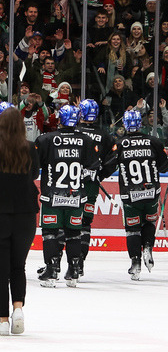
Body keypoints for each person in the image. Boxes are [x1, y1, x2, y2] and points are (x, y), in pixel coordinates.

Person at [0, 107, 39, 336]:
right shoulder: (30, 148)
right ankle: (18, 308)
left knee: (0, 269)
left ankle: (3, 320)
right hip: (25, 215)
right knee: (18, 265)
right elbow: (35, 175)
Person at [34, 105, 100, 288]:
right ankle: (74, 270)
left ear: (60, 119)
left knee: (50, 233)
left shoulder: (46, 139)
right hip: (76, 196)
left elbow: (34, 165)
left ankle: (52, 269)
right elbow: (93, 168)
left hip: (52, 197)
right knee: (74, 233)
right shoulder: (86, 140)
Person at [106, 110, 168, 279]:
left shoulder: (120, 144)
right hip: (151, 192)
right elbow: (164, 167)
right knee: (149, 222)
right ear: (140, 124)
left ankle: (135, 263)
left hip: (131, 194)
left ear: (125, 124)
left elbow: (108, 166)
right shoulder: (153, 141)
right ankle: (148, 246)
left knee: (132, 230)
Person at [75, 98, 112, 276]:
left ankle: (56, 262)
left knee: (65, 224)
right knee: (85, 224)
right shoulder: (104, 135)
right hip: (91, 187)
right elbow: (114, 158)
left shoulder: (73, 131)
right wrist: (100, 174)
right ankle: (79, 262)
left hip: (71, 186)